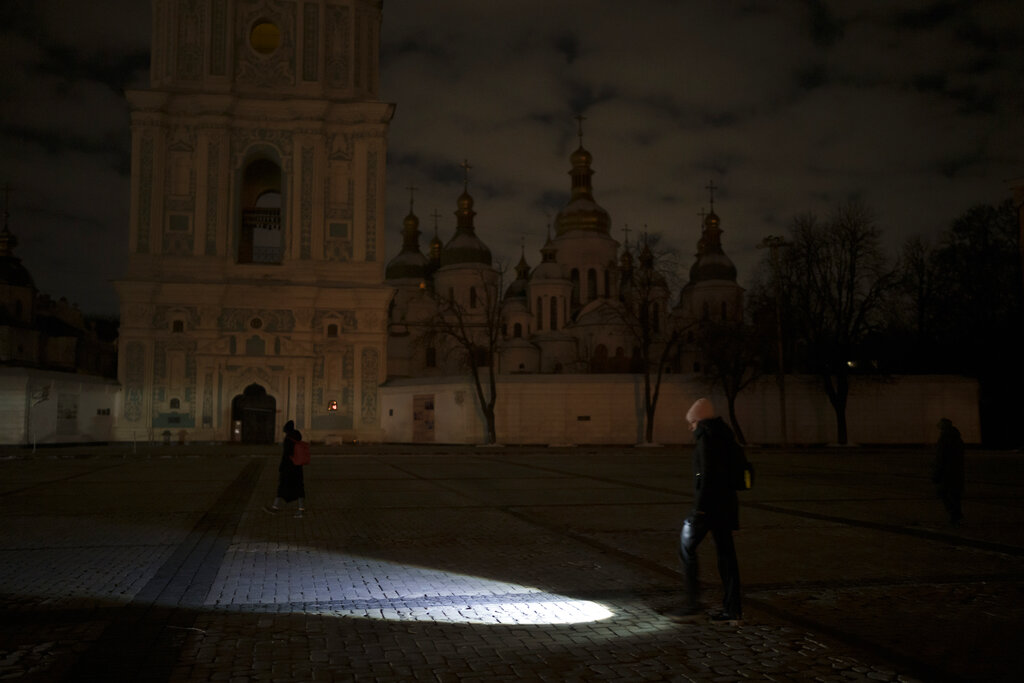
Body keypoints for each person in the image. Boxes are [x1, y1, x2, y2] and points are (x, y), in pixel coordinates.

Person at [671, 397, 742, 623]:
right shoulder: (726, 436)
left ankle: (693, 606)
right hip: (727, 505)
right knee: (726, 557)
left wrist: (699, 511)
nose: (690, 428)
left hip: (708, 508)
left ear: (698, 421)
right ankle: (733, 611)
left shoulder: (706, 438)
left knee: (686, 548)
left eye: (691, 423)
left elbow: (707, 476)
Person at [264, 420, 306, 518]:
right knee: (299, 488)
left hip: (288, 468)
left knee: (282, 487)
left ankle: (275, 508)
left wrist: (281, 467)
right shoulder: (297, 437)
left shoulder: (288, 439)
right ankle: (301, 509)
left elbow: (287, 455)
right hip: (297, 467)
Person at [933, 418, 965, 526]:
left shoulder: (944, 439)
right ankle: (956, 513)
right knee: (955, 494)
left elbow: (940, 457)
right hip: (957, 471)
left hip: (947, 472)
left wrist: (937, 472)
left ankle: (954, 513)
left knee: (943, 493)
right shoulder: (957, 438)